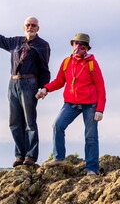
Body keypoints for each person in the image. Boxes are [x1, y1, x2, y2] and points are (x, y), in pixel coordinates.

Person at [0, 17, 51, 167]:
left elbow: (44, 69)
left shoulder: (43, 45)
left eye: (33, 25)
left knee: (29, 122)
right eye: (28, 25)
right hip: (13, 83)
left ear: (38, 28)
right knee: (14, 121)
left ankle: (30, 156)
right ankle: (19, 155)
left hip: (30, 83)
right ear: (24, 27)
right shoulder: (16, 42)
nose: (31, 27)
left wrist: (44, 88)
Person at [37, 33, 106, 175]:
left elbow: (101, 87)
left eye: (82, 45)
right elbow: (59, 81)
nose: (78, 47)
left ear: (87, 48)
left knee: (90, 136)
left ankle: (92, 169)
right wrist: (46, 89)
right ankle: (59, 158)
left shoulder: (92, 63)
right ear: (72, 45)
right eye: (76, 44)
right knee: (57, 125)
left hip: (90, 104)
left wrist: (100, 109)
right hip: (71, 103)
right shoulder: (67, 62)